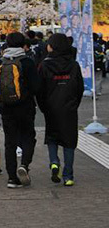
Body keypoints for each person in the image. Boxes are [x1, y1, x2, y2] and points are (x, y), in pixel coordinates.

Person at [0, 32, 41, 189]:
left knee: (10, 142)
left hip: (6, 108)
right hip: (25, 107)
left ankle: (12, 178)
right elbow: (36, 87)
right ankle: (24, 165)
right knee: (28, 137)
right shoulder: (27, 62)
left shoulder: (0, 63)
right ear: (23, 45)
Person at [38, 34, 84, 186]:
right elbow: (80, 88)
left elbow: (40, 90)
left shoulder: (45, 65)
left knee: (52, 137)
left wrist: (44, 106)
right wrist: (74, 104)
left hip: (51, 107)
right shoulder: (74, 65)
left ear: (53, 46)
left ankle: (54, 162)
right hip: (69, 108)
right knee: (69, 142)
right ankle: (68, 176)